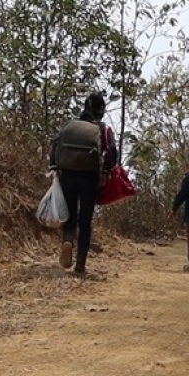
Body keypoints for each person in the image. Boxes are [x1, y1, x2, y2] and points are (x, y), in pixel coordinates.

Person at [49, 92, 118, 278]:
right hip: (89, 178)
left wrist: (55, 168)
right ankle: (80, 265)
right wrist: (105, 171)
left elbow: (55, 145)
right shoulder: (103, 129)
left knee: (69, 215)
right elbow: (112, 152)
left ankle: (68, 240)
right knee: (85, 222)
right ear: (101, 110)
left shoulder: (69, 125)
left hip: (67, 175)